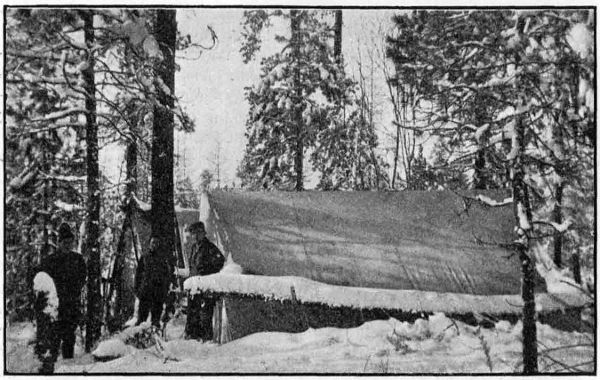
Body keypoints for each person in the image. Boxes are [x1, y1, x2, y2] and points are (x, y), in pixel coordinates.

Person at [37, 222, 87, 361]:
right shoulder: (50, 261)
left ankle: (68, 370)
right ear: (59, 243)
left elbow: (82, 278)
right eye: (65, 242)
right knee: (52, 343)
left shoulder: (78, 259)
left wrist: (73, 291)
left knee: (69, 342)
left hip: (71, 308)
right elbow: (42, 281)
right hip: (55, 309)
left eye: (70, 242)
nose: (68, 245)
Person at [184, 221, 225, 341]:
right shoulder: (193, 248)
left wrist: (208, 273)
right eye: (193, 234)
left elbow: (220, 261)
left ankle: (206, 341)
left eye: (198, 233)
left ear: (203, 233)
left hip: (205, 288)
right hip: (194, 287)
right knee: (193, 315)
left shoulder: (209, 247)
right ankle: (193, 339)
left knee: (205, 316)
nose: (195, 236)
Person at [134, 236, 174, 329]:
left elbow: (166, 276)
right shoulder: (144, 257)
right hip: (145, 292)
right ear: (149, 244)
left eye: (156, 243)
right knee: (141, 320)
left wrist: (165, 291)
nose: (154, 245)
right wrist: (137, 289)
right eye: (152, 243)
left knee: (155, 321)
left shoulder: (162, 259)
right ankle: (140, 338)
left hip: (158, 293)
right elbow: (138, 274)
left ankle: (155, 338)